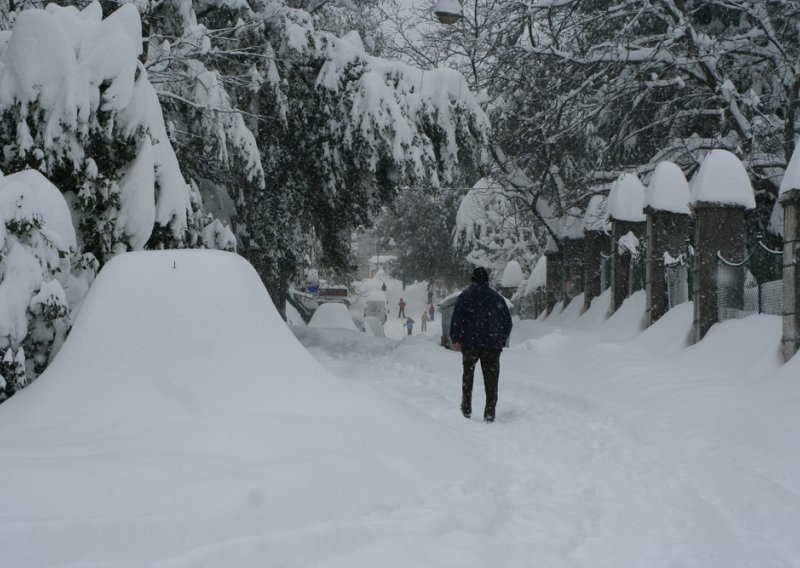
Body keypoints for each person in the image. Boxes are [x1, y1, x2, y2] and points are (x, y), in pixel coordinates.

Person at [449, 267, 513, 422]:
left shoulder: (465, 297)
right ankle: (489, 413)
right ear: (487, 280)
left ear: (473, 279)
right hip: (492, 345)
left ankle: (466, 409)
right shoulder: (497, 298)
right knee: (491, 380)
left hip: (470, 343)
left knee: (468, 377)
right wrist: (500, 339)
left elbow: (457, 319)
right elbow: (508, 323)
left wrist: (456, 338)